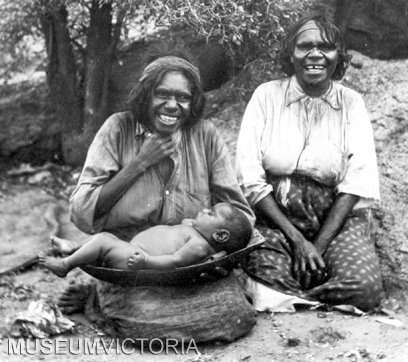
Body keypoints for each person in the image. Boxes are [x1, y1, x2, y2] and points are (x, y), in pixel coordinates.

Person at [57, 42, 257, 343]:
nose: (172, 106)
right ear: (145, 93)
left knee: (234, 314)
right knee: (141, 324)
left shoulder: (205, 135)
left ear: (194, 102)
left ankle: (108, 301)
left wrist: (217, 256)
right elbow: (82, 211)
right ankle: (96, 297)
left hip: (186, 262)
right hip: (130, 261)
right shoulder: (117, 129)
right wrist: (140, 162)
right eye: (162, 94)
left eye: (183, 97)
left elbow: (237, 212)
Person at [235, 15, 382, 311]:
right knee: (265, 275)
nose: (315, 54)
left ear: (337, 56)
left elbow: (356, 182)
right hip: (275, 220)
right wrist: (299, 242)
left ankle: (296, 296)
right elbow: (249, 177)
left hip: (334, 220)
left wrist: (318, 246)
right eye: (305, 46)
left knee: (363, 288)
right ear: (291, 53)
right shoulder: (266, 96)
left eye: (325, 47)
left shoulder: (352, 103)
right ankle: (294, 289)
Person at [39, 203, 252, 277]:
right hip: (134, 250)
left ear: (220, 235)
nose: (205, 210)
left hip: (139, 261)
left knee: (105, 240)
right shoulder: (195, 230)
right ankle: (73, 247)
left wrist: (146, 262)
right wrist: (200, 221)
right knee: (106, 241)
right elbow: (186, 222)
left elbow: (175, 261)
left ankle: (65, 265)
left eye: (211, 213)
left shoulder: (199, 246)